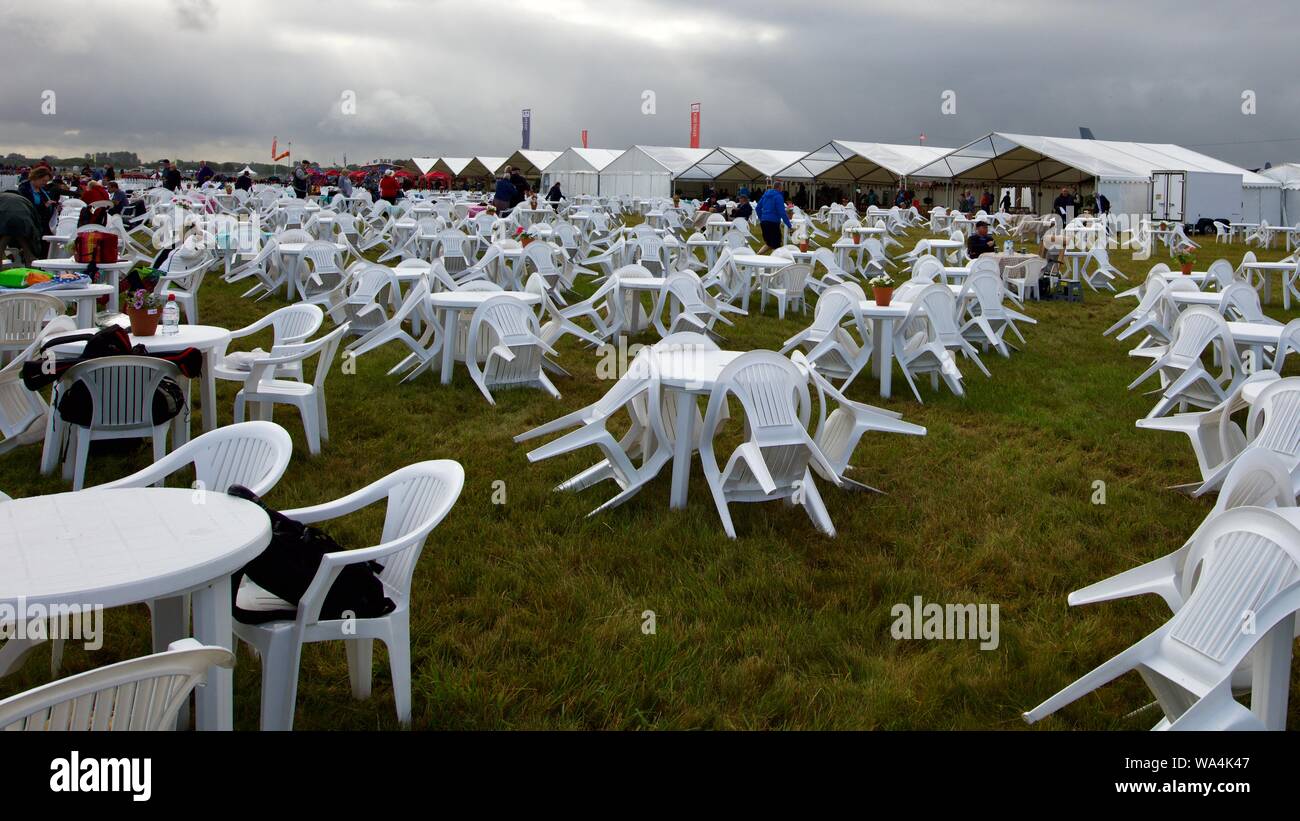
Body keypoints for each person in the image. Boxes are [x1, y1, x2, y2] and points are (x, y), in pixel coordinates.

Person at [0, 192, 45, 267]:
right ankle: (31, 270)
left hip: (5, 218)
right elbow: (37, 221)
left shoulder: (3, 198)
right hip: (24, 219)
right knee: (26, 244)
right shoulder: (23, 199)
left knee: (3, 242)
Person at [755, 181, 792, 254]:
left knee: (769, 244)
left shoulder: (765, 195)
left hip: (764, 222)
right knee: (776, 245)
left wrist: (761, 218)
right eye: (782, 187)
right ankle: (774, 262)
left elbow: (757, 208)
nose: (782, 189)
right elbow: (782, 212)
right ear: (779, 187)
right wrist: (789, 225)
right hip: (773, 223)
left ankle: (757, 256)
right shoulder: (778, 196)